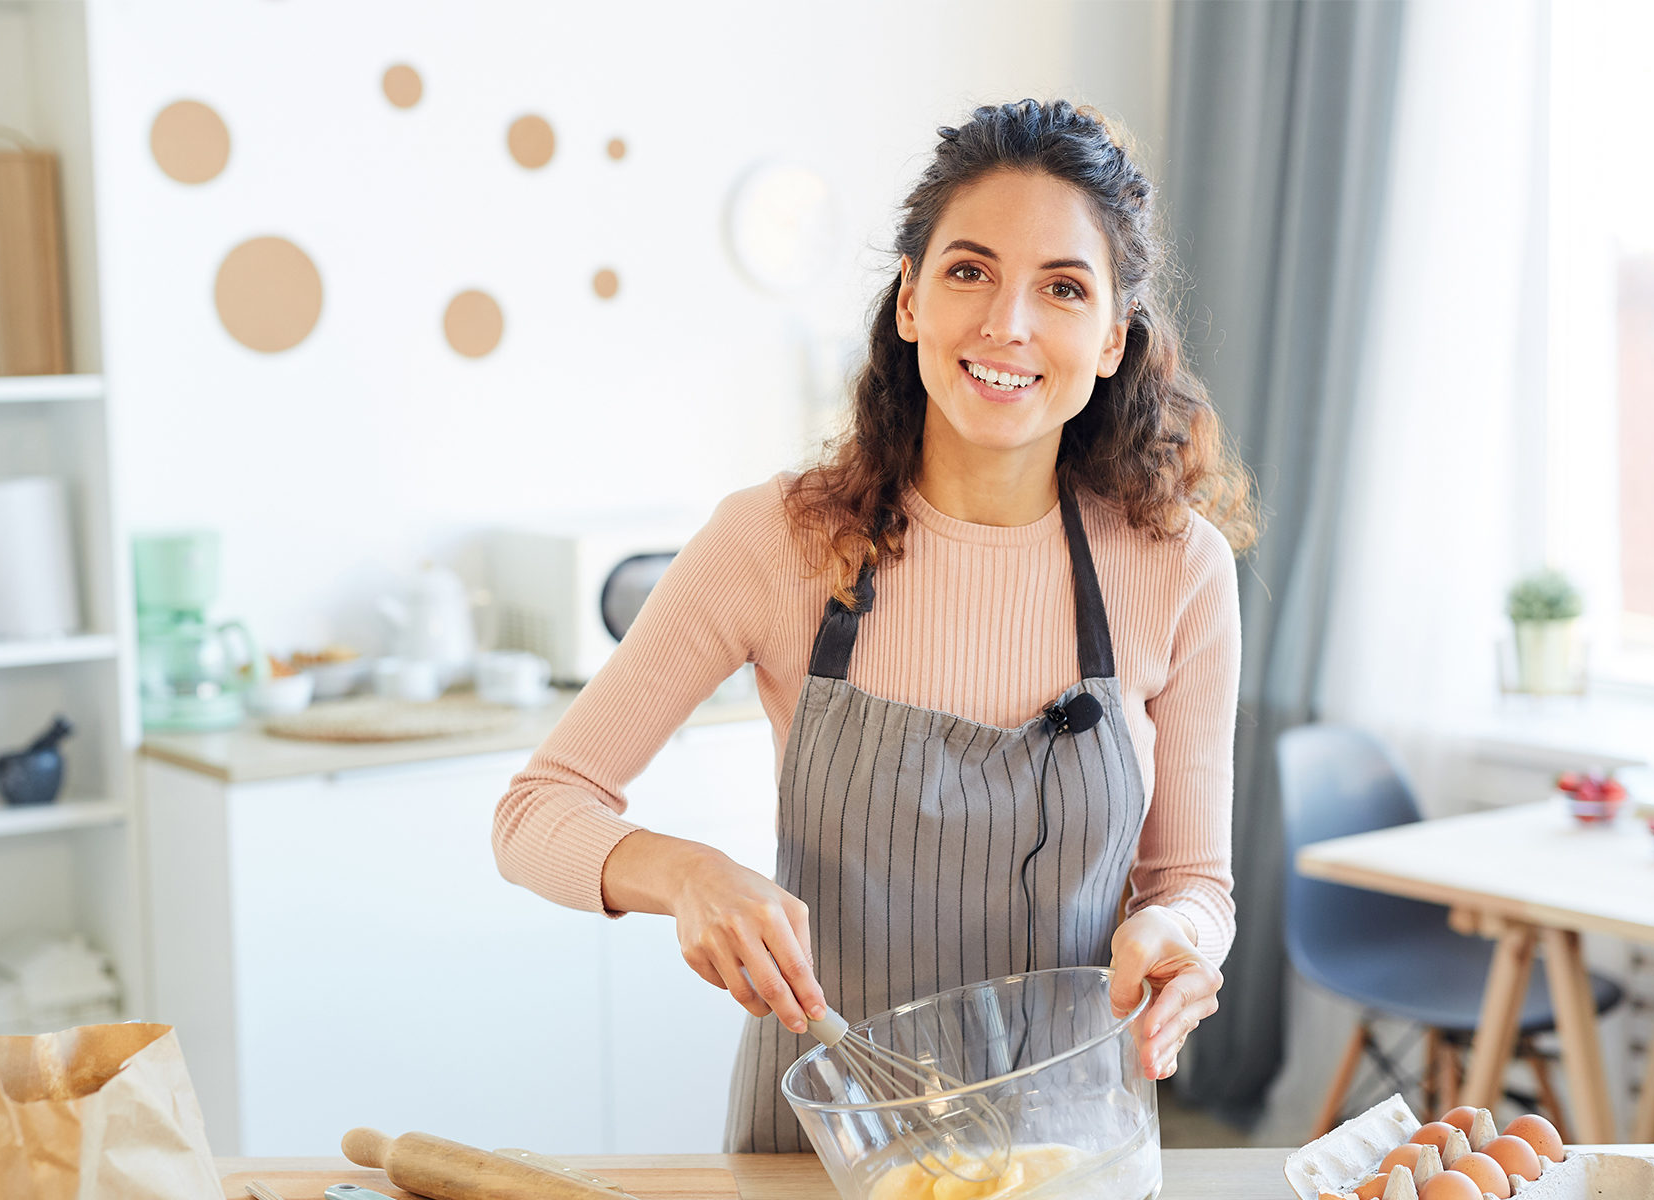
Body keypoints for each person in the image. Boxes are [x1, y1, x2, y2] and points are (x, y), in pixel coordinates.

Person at [493, 98, 1257, 1153]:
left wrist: (1179, 935)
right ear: (907, 301)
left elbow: (1190, 885)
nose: (1007, 326)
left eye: (1063, 289)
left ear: (1112, 336)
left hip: (1068, 1142)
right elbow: (535, 813)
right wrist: (686, 875)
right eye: (967, 271)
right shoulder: (775, 540)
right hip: (823, 1147)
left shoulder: (1177, 568)